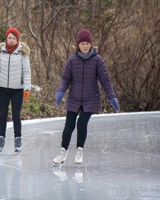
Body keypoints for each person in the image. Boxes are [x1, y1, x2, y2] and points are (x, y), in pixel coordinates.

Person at [53, 28, 119, 164]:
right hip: (74, 98)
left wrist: (111, 97)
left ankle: (79, 151)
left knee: (81, 124)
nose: (85, 46)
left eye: (87, 43)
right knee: (69, 126)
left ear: (91, 44)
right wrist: (60, 91)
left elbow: (105, 80)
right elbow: (66, 78)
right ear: (78, 45)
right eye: (82, 44)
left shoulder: (97, 60)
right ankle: (63, 152)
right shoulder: (72, 60)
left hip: (91, 99)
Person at [0, 27, 31, 153]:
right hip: (3, 89)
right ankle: (1, 138)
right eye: (9, 38)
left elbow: (27, 72)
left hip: (17, 89)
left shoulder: (22, 54)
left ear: (17, 39)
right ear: (6, 39)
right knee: (2, 115)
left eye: (14, 38)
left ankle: (18, 139)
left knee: (16, 115)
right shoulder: (0, 53)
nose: (11, 40)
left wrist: (27, 88)